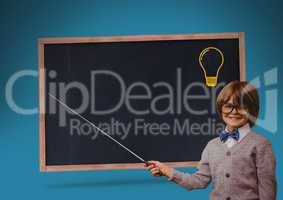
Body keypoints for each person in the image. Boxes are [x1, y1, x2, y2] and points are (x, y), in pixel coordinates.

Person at [146, 80, 276, 200]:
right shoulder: (212, 145)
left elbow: (267, 189)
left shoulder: (261, 144)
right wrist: (168, 171)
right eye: (228, 106)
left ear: (251, 110)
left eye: (240, 106)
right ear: (221, 108)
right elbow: (199, 180)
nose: (233, 111)